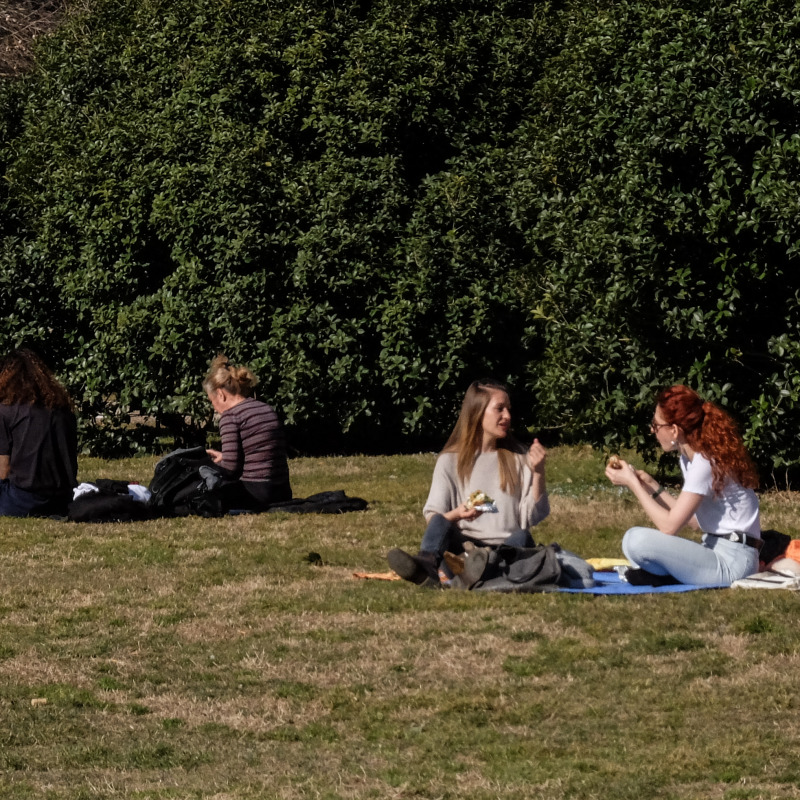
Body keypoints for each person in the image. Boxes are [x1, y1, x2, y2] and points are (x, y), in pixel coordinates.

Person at [387, 379, 550, 586]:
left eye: (508, 409)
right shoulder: (449, 461)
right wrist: (458, 513)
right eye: (499, 409)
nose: (507, 416)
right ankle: (427, 565)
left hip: (505, 549)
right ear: (478, 412)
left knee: (522, 536)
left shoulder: (519, 457)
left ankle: (484, 570)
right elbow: (433, 518)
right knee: (440, 521)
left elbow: (532, 517)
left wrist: (538, 473)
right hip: (462, 550)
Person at [605, 384, 761, 586]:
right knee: (634, 542)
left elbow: (669, 527)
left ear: (674, 430)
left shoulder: (704, 462)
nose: (652, 430)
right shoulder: (690, 459)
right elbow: (695, 522)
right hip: (716, 549)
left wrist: (632, 484)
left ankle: (666, 574)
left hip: (734, 562)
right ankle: (669, 574)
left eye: (656, 425)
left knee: (635, 540)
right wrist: (651, 486)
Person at [203, 354, 292, 510]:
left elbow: (230, 469)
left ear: (220, 394)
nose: (214, 407)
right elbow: (258, 453)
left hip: (256, 493)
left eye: (212, 401)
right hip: (282, 490)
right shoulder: (264, 408)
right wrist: (225, 456)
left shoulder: (231, 416)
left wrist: (207, 465)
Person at [0, 349, 78, 517]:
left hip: (21, 500)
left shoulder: (6, 411)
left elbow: (3, 470)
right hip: (63, 499)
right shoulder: (63, 409)